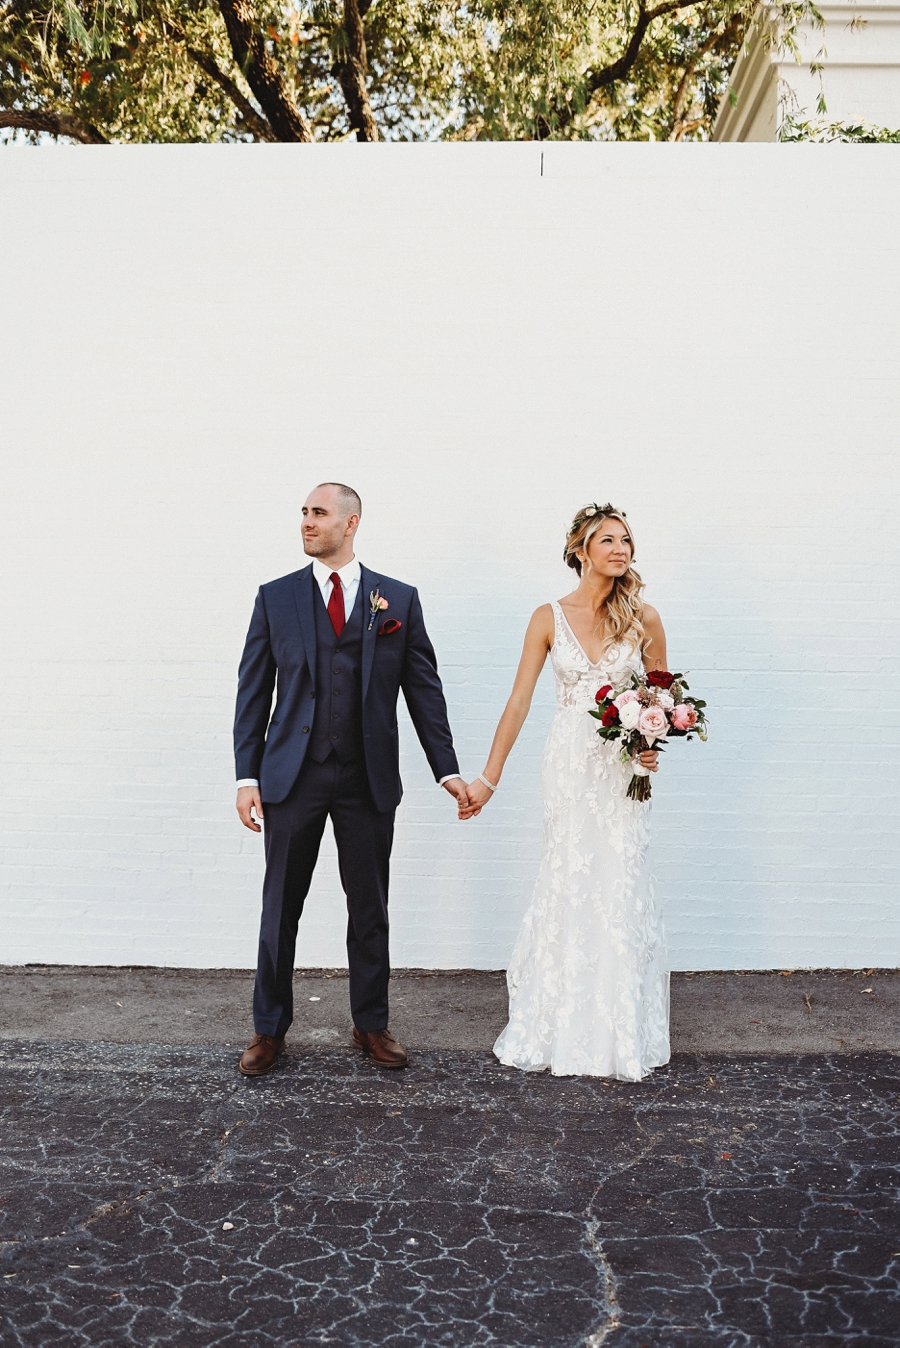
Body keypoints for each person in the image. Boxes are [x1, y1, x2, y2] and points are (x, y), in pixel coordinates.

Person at [233, 482, 469, 1075]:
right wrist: (246, 776)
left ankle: (370, 1023)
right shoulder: (275, 598)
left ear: (352, 522)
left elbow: (424, 690)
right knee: (279, 906)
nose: (307, 523)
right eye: (304, 514)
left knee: (370, 907)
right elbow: (253, 692)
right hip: (292, 777)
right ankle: (268, 1030)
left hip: (367, 778)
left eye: (319, 513)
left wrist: (447, 768)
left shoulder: (398, 600)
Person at [462, 503, 670, 1079]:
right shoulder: (547, 616)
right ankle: (561, 1022)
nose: (620, 549)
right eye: (607, 540)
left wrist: (654, 742)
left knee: (621, 876)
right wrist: (488, 778)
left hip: (624, 766)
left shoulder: (645, 617)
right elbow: (520, 700)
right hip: (571, 764)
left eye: (626, 540)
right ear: (580, 550)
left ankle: (619, 1027)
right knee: (574, 875)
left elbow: (660, 696)